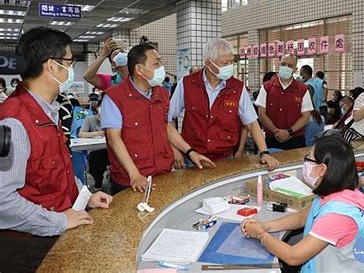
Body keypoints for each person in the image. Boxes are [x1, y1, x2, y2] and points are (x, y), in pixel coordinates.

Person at [0, 27, 112, 272]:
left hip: (53, 235)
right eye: (70, 62)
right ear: (52, 67)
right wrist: (59, 221)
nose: (71, 70)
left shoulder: (47, 112)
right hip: (28, 248)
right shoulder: (14, 121)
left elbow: (54, 171)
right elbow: (2, 201)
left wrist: (85, 195)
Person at [241, 135, 364, 273]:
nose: (305, 163)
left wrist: (260, 234)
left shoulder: (339, 215)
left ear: (322, 169)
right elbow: (301, 218)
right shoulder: (335, 195)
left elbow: (293, 257)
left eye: (308, 158)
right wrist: (265, 225)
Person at [101, 44, 215, 195]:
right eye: (156, 64)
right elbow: (114, 139)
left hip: (163, 175)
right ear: (139, 70)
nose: (161, 67)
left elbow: (166, 127)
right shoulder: (114, 97)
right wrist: (134, 174)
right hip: (130, 181)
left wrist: (190, 152)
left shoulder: (161, 93)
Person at [168, 38, 279, 170]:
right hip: (193, 157)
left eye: (232, 62)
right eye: (225, 63)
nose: (229, 67)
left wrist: (264, 152)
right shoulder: (187, 84)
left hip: (225, 158)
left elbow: (251, 122)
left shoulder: (237, 88)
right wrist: (175, 150)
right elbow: (168, 119)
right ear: (208, 63)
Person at [256, 54, 313, 150]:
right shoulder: (267, 87)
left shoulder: (302, 89)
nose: (286, 68)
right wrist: (276, 131)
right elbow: (261, 114)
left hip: (296, 140)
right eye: (283, 64)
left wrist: (288, 132)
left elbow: (306, 117)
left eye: (290, 66)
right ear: (279, 64)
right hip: (272, 139)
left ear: (295, 69)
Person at [79, 99, 108, 190]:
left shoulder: (111, 120)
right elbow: (81, 134)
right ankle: (98, 182)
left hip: (109, 148)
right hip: (95, 150)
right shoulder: (89, 120)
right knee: (97, 160)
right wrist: (97, 133)